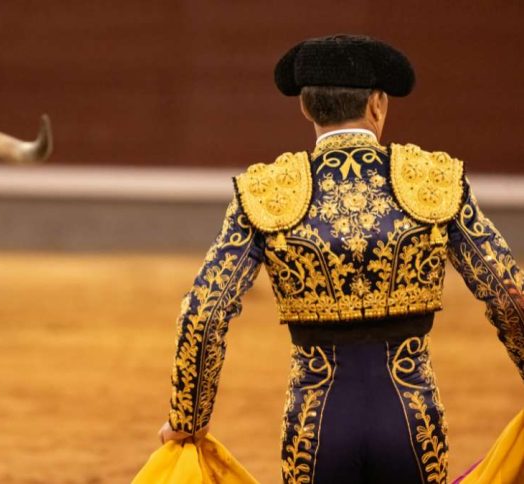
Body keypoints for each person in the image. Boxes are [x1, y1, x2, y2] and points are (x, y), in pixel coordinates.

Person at [157, 34, 524, 483]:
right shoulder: (434, 182)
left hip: (316, 423)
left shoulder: (269, 192)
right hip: (411, 418)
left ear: (306, 108)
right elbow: (510, 296)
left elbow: (204, 312)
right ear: (377, 103)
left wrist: (187, 420)